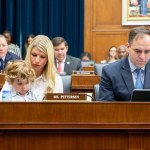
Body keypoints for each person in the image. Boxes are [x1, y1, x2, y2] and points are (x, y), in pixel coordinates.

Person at [98, 26, 150, 101]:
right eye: (137, 51)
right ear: (128, 47)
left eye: (147, 52)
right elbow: (106, 108)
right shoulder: (110, 72)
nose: (142, 56)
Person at [25, 35, 63, 100]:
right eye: (34, 55)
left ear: (49, 59)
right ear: (29, 54)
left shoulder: (56, 80)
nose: (37, 60)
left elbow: (58, 108)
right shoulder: (16, 74)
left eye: (42, 57)